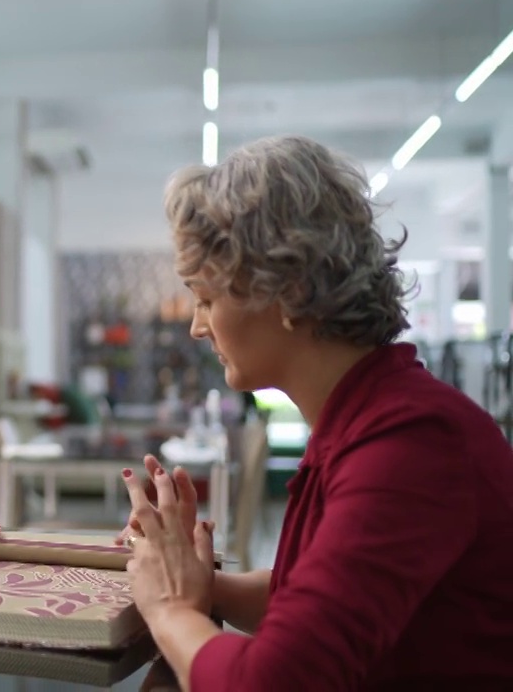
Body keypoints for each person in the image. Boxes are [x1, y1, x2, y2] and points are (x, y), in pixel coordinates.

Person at [117, 135, 513, 690]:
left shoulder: (414, 441)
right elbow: (308, 600)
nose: (197, 326)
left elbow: (271, 683)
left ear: (290, 288)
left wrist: (169, 610)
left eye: (206, 299)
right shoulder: (368, 421)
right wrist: (193, 581)